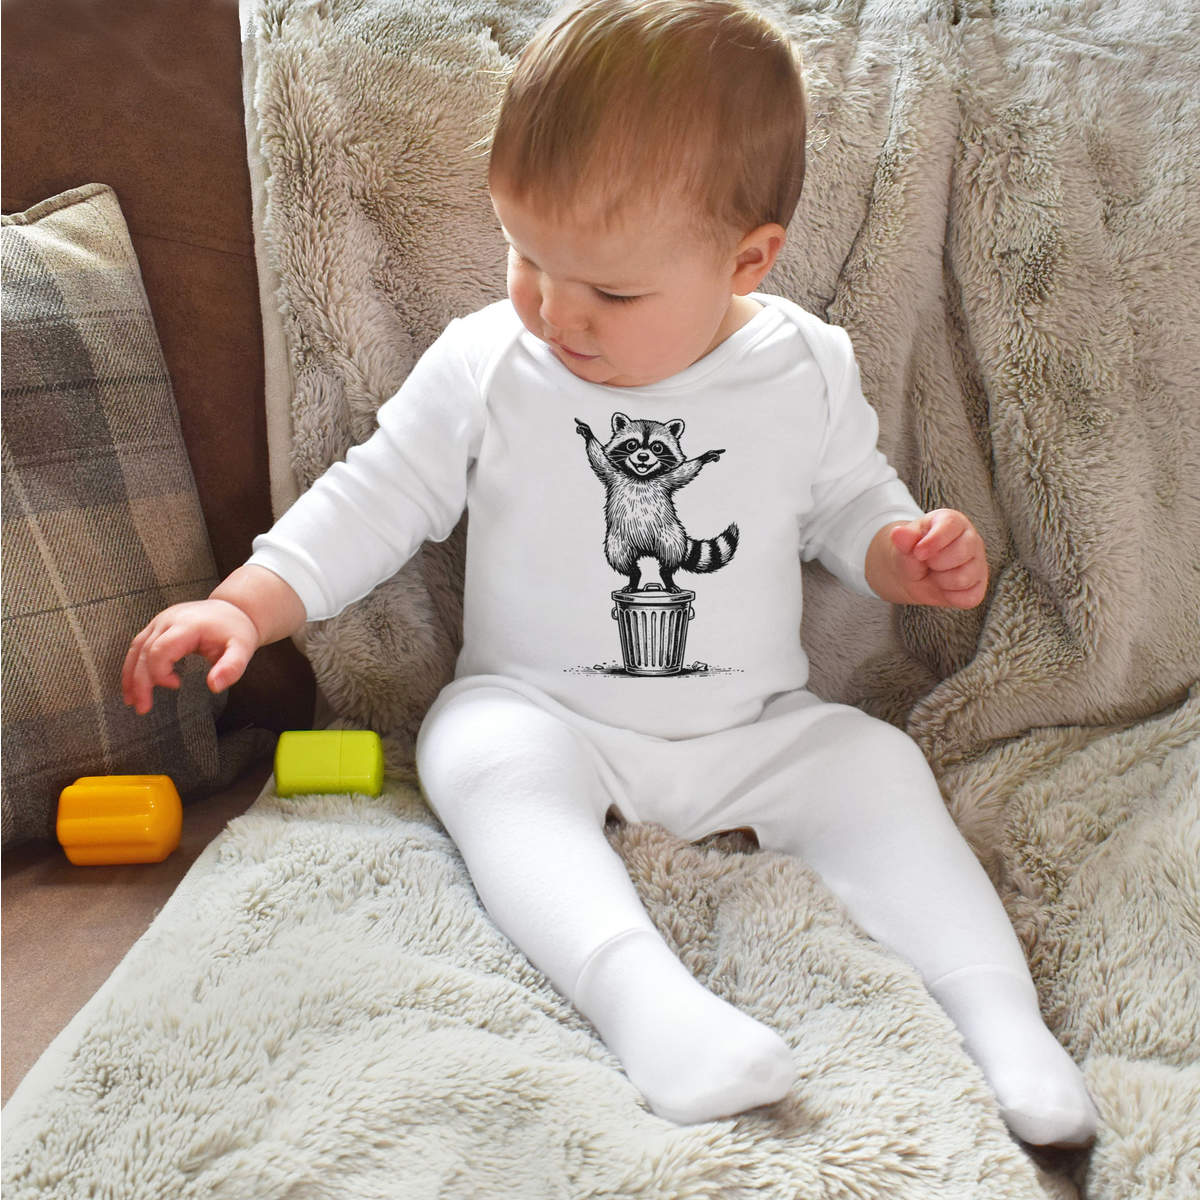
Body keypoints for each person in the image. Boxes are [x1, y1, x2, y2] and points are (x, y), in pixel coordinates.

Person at [122, 0, 1098, 1142]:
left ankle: (1004, 1025)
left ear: (747, 260)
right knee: (472, 750)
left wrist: (901, 554)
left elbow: (845, 499)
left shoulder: (803, 365)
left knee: (877, 767)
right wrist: (244, 604)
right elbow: (375, 495)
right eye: (526, 256)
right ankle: (650, 1009)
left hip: (755, 728)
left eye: (612, 293)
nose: (554, 311)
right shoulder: (491, 363)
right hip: (548, 714)